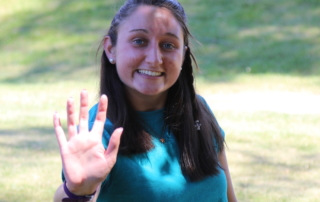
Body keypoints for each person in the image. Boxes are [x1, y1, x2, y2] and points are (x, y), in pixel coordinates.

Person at [53, 0, 237, 201]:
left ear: (183, 54)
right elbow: (77, 190)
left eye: (168, 45)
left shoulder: (198, 110)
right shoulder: (98, 133)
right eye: (139, 41)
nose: (154, 58)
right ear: (110, 49)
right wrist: (77, 191)